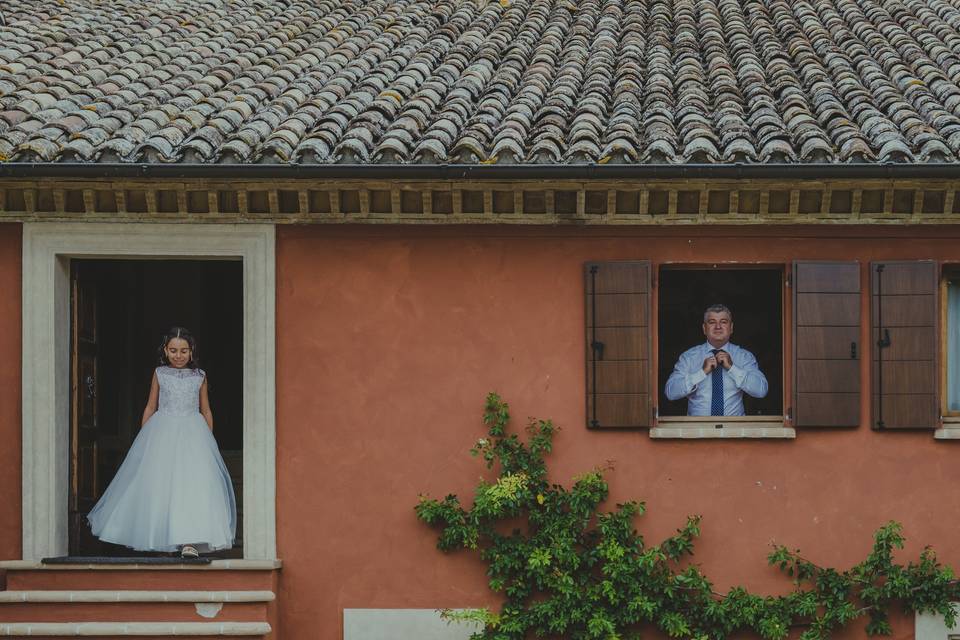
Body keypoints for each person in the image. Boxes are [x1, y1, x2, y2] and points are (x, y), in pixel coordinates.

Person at [87, 327, 236, 557]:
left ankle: (189, 541)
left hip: (193, 434)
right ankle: (164, 539)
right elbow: (150, 405)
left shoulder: (200, 376)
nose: (179, 355)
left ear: (191, 351)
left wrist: (208, 440)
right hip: (162, 432)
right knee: (161, 486)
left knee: (191, 486)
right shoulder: (160, 373)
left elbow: (206, 409)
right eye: (174, 350)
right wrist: (144, 439)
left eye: (184, 351)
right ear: (166, 350)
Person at [664, 304, 768, 416]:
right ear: (704, 328)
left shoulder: (744, 357)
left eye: (723, 322)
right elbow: (670, 392)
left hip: (734, 430)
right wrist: (701, 373)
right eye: (712, 322)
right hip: (697, 430)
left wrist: (732, 368)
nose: (718, 326)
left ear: (731, 328)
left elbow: (761, 390)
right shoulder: (688, 357)